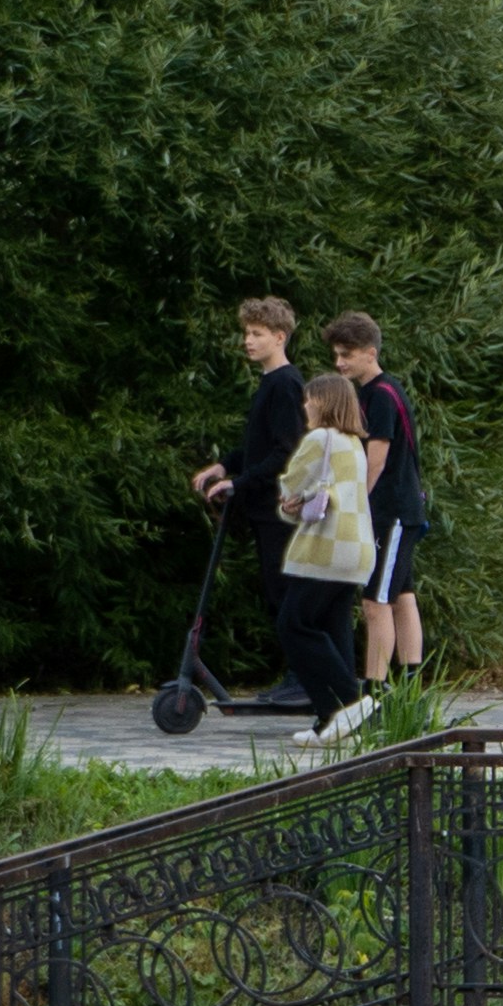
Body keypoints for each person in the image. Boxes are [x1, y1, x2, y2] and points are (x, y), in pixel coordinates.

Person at [183, 294, 320, 706]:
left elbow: (286, 450)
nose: (248, 340)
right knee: (276, 592)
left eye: (257, 333)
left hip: (280, 508)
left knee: (285, 592)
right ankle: (299, 675)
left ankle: (304, 679)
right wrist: (224, 466)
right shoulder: (269, 383)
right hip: (264, 508)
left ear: (280, 337)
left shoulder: (286, 384)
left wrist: (239, 484)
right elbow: (258, 445)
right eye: (247, 333)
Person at [266, 375, 377, 739]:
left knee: (294, 624)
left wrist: (288, 503)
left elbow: (291, 484)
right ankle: (332, 721)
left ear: (324, 402)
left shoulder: (320, 438)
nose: (305, 406)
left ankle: (351, 703)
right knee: (334, 629)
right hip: (355, 551)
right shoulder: (354, 443)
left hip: (326, 550)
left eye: (310, 399)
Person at [323, 312, 426, 684]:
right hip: (398, 511)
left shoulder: (381, 395)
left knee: (374, 602)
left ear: (370, 353)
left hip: (390, 513)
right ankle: (411, 686)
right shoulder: (373, 392)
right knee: (401, 595)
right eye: (337, 355)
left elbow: (376, 461)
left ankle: (376, 691)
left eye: (347, 355)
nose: (339, 363)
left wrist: (353, 506)